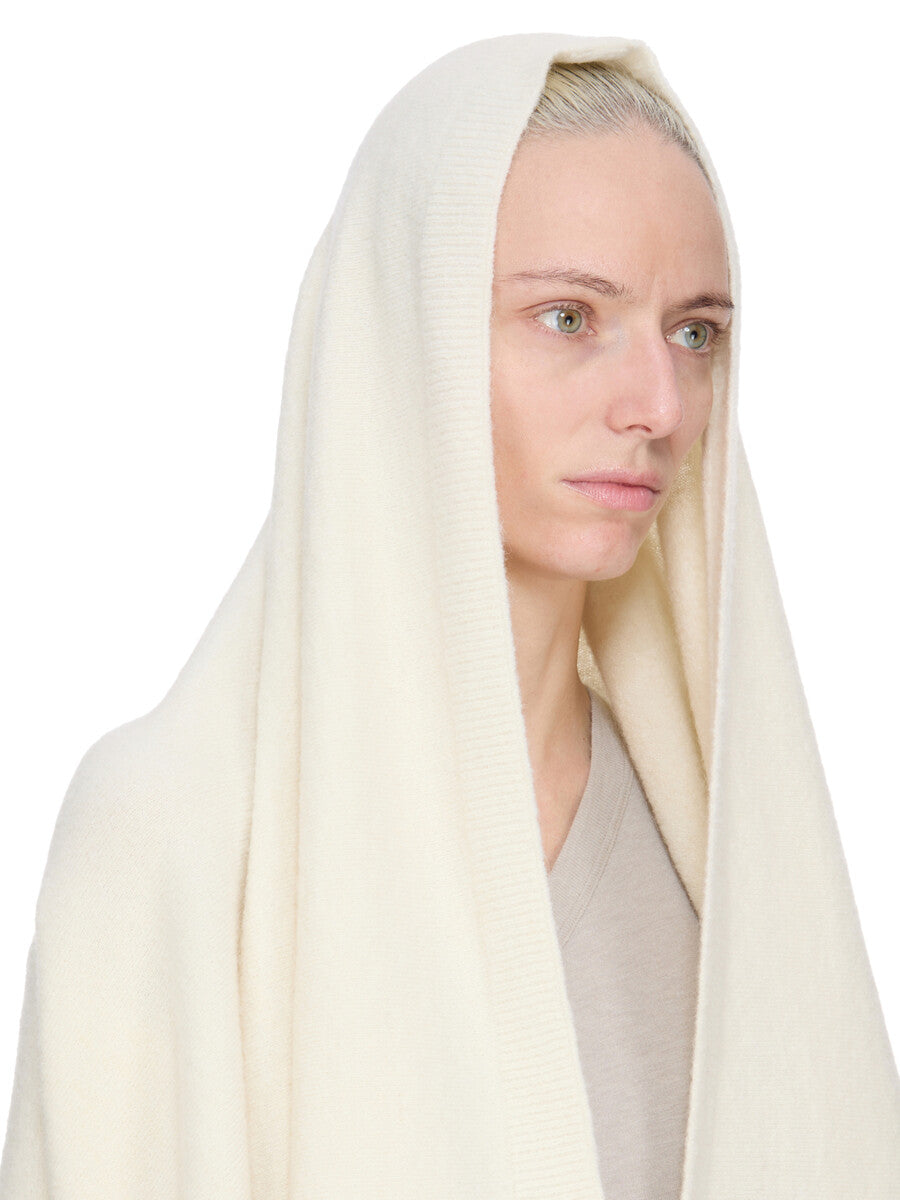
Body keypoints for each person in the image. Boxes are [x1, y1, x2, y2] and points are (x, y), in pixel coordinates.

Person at [1, 31, 898, 1200]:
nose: (659, 404)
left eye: (696, 332)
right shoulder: (175, 837)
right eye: (569, 317)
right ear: (402, 330)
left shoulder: (724, 851)